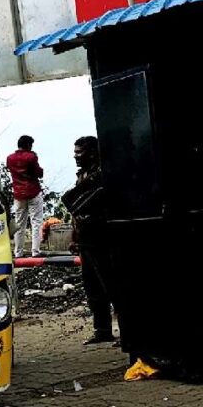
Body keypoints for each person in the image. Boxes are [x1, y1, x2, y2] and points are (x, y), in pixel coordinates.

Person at [63, 136, 115, 346]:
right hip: (85, 240)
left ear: (92, 152)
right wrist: (74, 238)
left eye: (79, 152)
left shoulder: (102, 175)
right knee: (93, 289)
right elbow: (77, 214)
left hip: (102, 238)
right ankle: (102, 330)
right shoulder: (83, 176)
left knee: (112, 286)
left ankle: (127, 333)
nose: (75, 156)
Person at [6, 135, 45, 259]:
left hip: (18, 194)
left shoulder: (10, 158)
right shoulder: (31, 157)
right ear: (28, 145)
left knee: (19, 223)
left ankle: (18, 252)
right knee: (36, 222)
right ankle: (35, 251)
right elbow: (39, 173)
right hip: (33, 191)